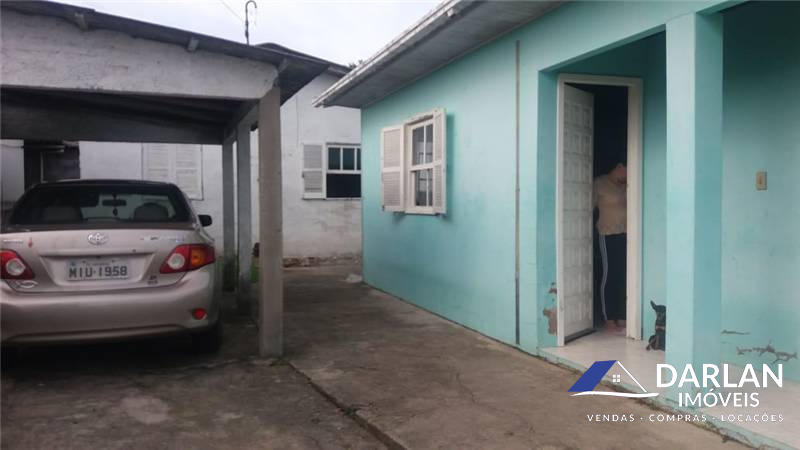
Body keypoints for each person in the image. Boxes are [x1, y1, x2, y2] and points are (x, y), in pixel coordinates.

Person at [593, 162, 627, 330]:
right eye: (626, 172)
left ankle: (621, 315)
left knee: (623, 274)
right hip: (607, 235)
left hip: (626, 234)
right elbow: (586, 208)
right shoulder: (600, 184)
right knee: (609, 274)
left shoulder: (625, 185)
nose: (627, 176)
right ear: (619, 167)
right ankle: (608, 317)